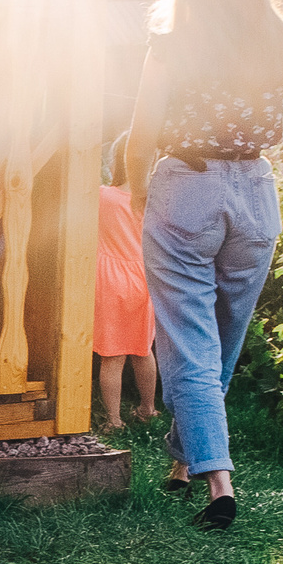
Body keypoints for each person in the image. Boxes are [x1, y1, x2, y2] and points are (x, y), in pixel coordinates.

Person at [120, 0, 283, 531]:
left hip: (188, 187)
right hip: (256, 193)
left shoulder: (172, 43)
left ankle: (217, 480)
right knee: (221, 338)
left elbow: (143, 132)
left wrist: (140, 190)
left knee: (189, 342)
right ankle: (182, 465)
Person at [93, 134, 158, 431]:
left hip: (110, 279)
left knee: (112, 356)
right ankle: (148, 408)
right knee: (143, 351)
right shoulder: (153, 202)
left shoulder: (103, 196)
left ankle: (113, 420)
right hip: (144, 278)